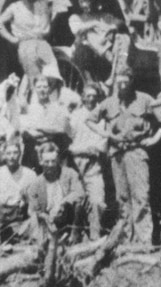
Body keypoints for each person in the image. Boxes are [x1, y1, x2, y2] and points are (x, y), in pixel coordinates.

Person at [86, 67, 161, 244]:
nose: (122, 85)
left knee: (140, 196)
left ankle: (144, 241)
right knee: (122, 199)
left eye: (126, 81)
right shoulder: (109, 103)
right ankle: (127, 241)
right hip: (117, 154)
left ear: (132, 81)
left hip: (136, 152)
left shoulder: (144, 99)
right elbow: (90, 120)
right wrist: (107, 134)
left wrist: (154, 139)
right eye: (119, 82)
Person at [0, 0, 61, 97]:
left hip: (43, 44)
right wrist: (11, 38)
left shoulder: (43, 2)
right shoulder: (15, 7)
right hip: (26, 45)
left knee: (53, 77)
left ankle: (52, 106)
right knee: (36, 81)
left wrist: (57, 10)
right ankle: (35, 109)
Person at [69, 83, 108, 240]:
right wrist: (81, 150)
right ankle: (74, 235)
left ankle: (95, 236)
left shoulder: (102, 117)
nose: (91, 99)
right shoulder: (75, 116)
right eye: (88, 96)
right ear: (83, 97)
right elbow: (69, 142)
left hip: (94, 164)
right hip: (75, 163)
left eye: (94, 96)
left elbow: (103, 142)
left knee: (97, 201)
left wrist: (94, 150)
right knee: (76, 200)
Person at [25, 142, 85, 243]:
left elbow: (80, 193)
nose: (50, 165)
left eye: (53, 161)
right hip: (47, 222)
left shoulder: (69, 174)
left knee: (78, 204)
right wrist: (45, 216)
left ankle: (75, 236)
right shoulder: (36, 184)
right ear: (40, 162)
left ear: (58, 160)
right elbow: (33, 210)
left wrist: (63, 202)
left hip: (68, 220)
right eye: (46, 162)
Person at [0, 139, 37, 246]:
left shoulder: (30, 174)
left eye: (15, 153)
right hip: (0, 221)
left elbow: (34, 203)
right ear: (3, 155)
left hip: (21, 220)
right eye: (8, 153)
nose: (12, 156)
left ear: (20, 154)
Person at [69, 0, 121, 83]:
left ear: (92, 1)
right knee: (89, 35)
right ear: (78, 3)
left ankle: (119, 70)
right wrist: (94, 24)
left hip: (103, 50)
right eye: (81, 2)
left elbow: (119, 22)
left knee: (121, 36)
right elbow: (77, 30)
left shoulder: (103, 16)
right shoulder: (75, 18)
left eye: (87, 1)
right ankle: (107, 54)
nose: (85, 5)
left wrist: (112, 28)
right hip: (83, 52)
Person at [19, 74, 72, 170]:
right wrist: (49, 131)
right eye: (39, 87)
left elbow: (62, 129)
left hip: (53, 152)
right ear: (35, 89)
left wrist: (39, 128)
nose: (42, 90)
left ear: (50, 89)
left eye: (45, 86)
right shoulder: (30, 108)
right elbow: (24, 131)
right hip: (34, 153)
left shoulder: (59, 108)